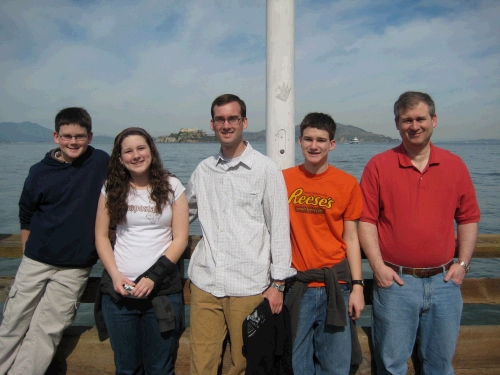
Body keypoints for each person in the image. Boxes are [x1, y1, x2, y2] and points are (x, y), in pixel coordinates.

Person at [358, 91, 480, 375]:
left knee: (440, 366)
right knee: (391, 366)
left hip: (445, 283)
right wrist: (377, 267)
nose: (414, 126)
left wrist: (462, 264)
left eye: (420, 118)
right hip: (395, 284)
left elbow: (469, 217)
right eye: (407, 120)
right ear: (397, 124)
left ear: (434, 120)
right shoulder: (378, 165)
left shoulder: (455, 165)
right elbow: (366, 220)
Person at [186, 94, 296, 375]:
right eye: (220, 119)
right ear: (212, 124)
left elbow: (280, 228)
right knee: (201, 364)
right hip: (205, 283)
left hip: (249, 286)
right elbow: (182, 216)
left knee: (243, 365)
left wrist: (279, 283)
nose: (226, 124)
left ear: (244, 122)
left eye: (232, 118)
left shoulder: (266, 169)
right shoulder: (203, 170)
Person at [0, 107, 109, 375]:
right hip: (35, 262)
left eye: (80, 136)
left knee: (45, 332)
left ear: (90, 136)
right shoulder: (39, 171)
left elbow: (134, 172)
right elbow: (26, 214)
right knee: (13, 322)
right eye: (67, 136)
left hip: (74, 268)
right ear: (55, 136)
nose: (73, 142)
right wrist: (28, 250)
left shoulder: (101, 162)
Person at [94, 127, 189, 375]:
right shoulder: (111, 188)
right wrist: (115, 275)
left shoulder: (172, 186)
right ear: (120, 157)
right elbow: (101, 236)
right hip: (119, 295)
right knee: (126, 368)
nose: (136, 155)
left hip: (162, 292)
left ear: (151, 151)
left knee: (160, 368)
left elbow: (180, 239)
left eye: (141, 148)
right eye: (128, 151)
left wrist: (152, 277)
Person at [282, 112, 365, 375]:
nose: (314, 145)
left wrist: (358, 287)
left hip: (335, 288)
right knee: (295, 365)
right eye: (308, 139)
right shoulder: (282, 179)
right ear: (299, 141)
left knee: (336, 366)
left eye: (321, 140)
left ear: (332, 144)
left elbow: (351, 238)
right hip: (297, 287)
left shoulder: (347, 184)